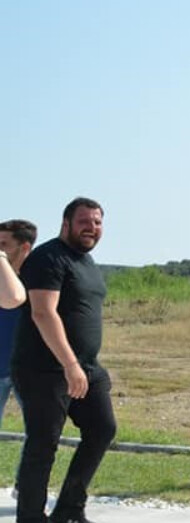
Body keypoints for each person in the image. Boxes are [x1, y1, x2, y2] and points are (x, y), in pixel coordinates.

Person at [13, 199, 116, 523]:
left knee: (102, 428)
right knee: (43, 445)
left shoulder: (86, 262)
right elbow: (43, 312)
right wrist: (70, 364)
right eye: (84, 221)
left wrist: (83, 365)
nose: (92, 227)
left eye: (97, 222)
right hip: (44, 369)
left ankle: (69, 508)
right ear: (66, 223)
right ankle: (30, 518)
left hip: (85, 366)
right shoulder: (48, 257)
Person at [0, 219, 37, 415]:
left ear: (24, 247)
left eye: (3, 244)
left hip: (29, 371)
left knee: (39, 435)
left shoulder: (43, 280)